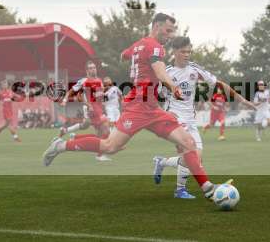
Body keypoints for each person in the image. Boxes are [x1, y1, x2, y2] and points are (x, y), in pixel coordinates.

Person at [43, 13, 226, 201]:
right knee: (109, 146)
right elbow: (161, 72)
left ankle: (208, 189)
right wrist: (172, 86)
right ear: (156, 26)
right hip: (138, 106)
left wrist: (132, 59)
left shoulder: (139, 44)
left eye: (172, 31)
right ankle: (61, 145)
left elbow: (124, 54)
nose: (170, 35)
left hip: (153, 109)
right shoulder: (155, 47)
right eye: (168, 30)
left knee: (188, 142)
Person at [152, 36, 255, 199]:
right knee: (190, 154)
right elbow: (156, 96)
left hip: (190, 120)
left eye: (189, 51)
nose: (187, 54)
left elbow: (219, 84)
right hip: (175, 119)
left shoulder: (194, 69)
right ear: (175, 52)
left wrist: (242, 99)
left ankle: (162, 162)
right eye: (183, 51)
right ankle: (181, 190)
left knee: (196, 158)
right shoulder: (167, 73)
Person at [59, 61, 112, 161]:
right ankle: (99, 155)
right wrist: (65, 100)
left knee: (99, 135)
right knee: (106, 130)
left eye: (94, 67)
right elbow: (72, 91)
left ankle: (76, 138)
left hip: (99, 109)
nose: (93, 69)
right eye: (91, 68)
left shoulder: (100, 81)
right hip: (93, 110)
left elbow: (101, 97)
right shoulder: (84, 81)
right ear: (87, 71)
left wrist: (104, 107)